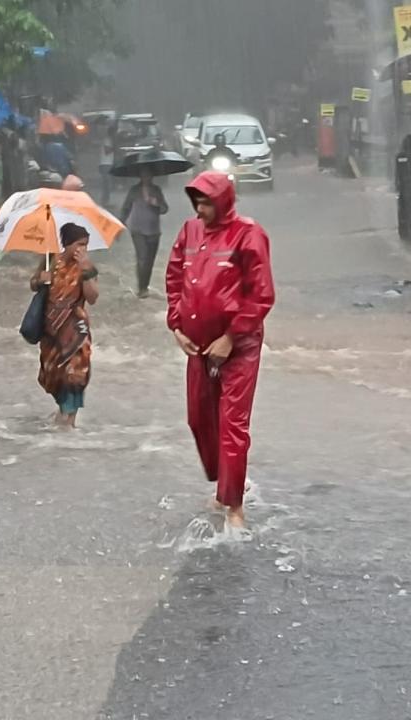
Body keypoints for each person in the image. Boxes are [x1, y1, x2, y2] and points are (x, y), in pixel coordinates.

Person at [166, 171, 275, 531]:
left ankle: (234, 505)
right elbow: (174, 277)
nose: (200, 207)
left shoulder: (248, 234)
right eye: (196, 200)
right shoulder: (189, 232)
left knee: (233, 425)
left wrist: (231, 337)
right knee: (198, 417)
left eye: (207, 200)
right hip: (198, 345)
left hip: (237, 346)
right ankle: (225, 482)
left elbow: (261, 295)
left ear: (224, 200)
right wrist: (176, 325)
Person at [31, 223, 99, 428]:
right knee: (54, 375)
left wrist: (86, 270)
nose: (82, 250)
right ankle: (63, 412)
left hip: (75, 331)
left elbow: (93, 297)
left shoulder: (87, 266)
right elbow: (33, 283)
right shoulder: (50, 259)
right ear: (67, 244)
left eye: (86, 245)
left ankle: (69, 422)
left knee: (75, 374)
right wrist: (40, 280)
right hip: (51, 331)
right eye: (79, 244)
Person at [120, 169, 169, 298]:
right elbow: (126, 208)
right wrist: (120, 224)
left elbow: (164, 209)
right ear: (140, 176)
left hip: (154, 231)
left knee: (149, 260)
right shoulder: (134, 190)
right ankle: (141, 288)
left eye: (148, 175)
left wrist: (156, 203)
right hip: (138, 230)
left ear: (152, 176)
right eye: (143, 175)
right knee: (142, 258)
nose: (146, 177)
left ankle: (145, 285)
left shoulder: (156, 190)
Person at [98, 124, 117, 207]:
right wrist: (114, 148)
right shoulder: (107, 140)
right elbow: (107, 151)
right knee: (107, 184)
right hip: (105, 164)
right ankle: (104, 201)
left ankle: (105, 201)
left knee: (107, 184)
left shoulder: (109, 140)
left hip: (108, 163)